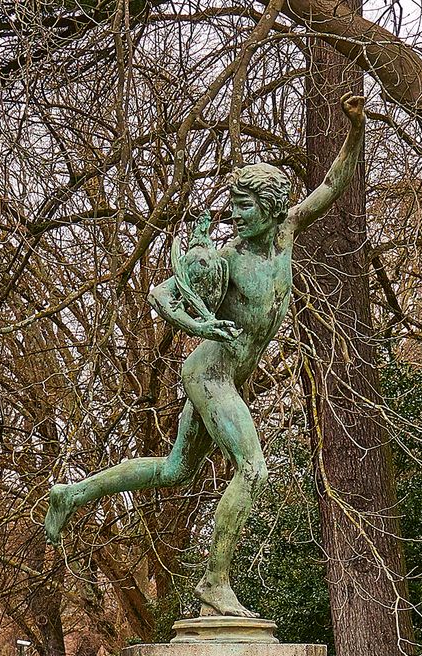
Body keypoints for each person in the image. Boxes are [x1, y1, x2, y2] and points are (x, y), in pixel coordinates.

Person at [43, 95, 368, 618]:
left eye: (245, 207)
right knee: (254, 470)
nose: (234, 216)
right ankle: (215, 582)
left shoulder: (285, 236)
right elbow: (161, 295)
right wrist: (197, 324)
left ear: (272, 211)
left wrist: (354, 131)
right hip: (212, 374)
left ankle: (72, 495)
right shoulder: (224, 260)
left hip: (228, 376)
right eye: (233, 206)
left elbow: (331, 186)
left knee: (175, 470)